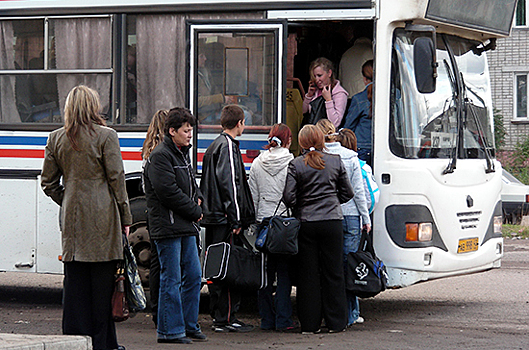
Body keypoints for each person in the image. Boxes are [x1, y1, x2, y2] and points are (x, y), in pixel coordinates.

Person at [41, 85, 132, 350]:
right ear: (93, 106)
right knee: (102, 293)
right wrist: (125, 218)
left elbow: (48, 183)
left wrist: (68, 200)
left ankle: (74, 343)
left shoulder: (56, 138)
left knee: (75, 291)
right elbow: (117, 181)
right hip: (104, 222)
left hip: (72, 224)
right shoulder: (106, 136)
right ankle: (103, 344)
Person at [143, 107, 206, 344]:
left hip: (184, 226)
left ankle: (189, 325)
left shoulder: (181, 154)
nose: (190, 135)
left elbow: (191, 182)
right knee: (172, 279)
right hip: (168, 227)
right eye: (186, 130)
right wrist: (195, 210)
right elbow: (167, 192)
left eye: (190, 130)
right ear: (172, 131)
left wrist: (198, 197)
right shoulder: (161, 156)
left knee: (193, 276)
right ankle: (170, 330)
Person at [283, 124, 354, 334]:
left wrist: (301, 205)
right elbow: (347, 193)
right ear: (322, 140)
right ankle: (337, 322)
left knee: (308, 275)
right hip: (332, 222)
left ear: (302, 142)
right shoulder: (335, 161)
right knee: (334, 272)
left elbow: (288, 197)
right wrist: (333, 202)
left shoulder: (296, 165)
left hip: (307, 223)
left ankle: (310, 324)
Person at [200, 104, 256, 333]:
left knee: (216, 268)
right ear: (240, 122)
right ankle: (227, 317)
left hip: (213, 217)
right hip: (225, 219)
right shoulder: (228, 147)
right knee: (230, 269)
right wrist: (236, 219)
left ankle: (219, 316)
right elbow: (230, 185)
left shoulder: (214, 146)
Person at [315, 119, 371, 327]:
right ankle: (351, 313)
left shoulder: (318, 157)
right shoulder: (351, 157)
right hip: (352, 216)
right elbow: (358, 193)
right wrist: (366, 219)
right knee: (349, 268)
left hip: (331, 216)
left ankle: (332, 313)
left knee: (332, 268)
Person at [248, 123, 297, 332]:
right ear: (288, 141)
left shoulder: (258, 163)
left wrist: (257, 220)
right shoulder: (292, 162)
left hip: (265, 224)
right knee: (284, 273)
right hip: (285, 223)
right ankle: (283, 320)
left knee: (264, 274)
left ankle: (266, 319)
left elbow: (253, 195)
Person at [140, 109, 168, 327]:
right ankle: (162, 310)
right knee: (166, 264)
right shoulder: (163, 152)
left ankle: (156, 306)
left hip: (151, 212)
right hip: (163, 214)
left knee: (156, 263)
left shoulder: (147, 150)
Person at [343, 59, 374, 166]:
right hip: (383, 148)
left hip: (362, 147)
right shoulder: (395, 96)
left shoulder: (358, 99)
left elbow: (349, 126)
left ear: (365, 79)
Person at [302, 57, 348, 128]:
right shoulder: (316, 90)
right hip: (313, 134)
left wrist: (328, 100)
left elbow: (335, 123)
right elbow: (303, 111)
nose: (317, 80)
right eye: (315, 76)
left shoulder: (339, 93)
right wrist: (309, 96)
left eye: (319, 75)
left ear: (329, 73)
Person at [197, 52, 233, 123]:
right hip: (204, 115)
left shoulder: (206, 73)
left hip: (214, 110)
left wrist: (226, 100)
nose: (205, 59)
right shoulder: (194, 77)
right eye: (201, 57)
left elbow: (215, 90)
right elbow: (197, 101)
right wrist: (220, 98)